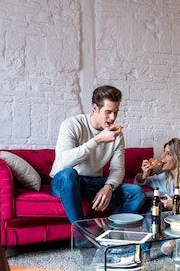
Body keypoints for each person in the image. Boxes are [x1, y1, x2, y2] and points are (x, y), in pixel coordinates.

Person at [49, 85, 146, 225]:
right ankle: (83, 238)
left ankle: (106, 233)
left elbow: (117, 169)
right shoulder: (72, 124)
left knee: (137, 193)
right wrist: (98, 140)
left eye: (116, 112)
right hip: (65, 182)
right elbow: (63, 162)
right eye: (108, 112)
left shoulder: (117, 135)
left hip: (92, 183)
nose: (112, 118)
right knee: (68, 174)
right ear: (95, 108)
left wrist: (108, 187)